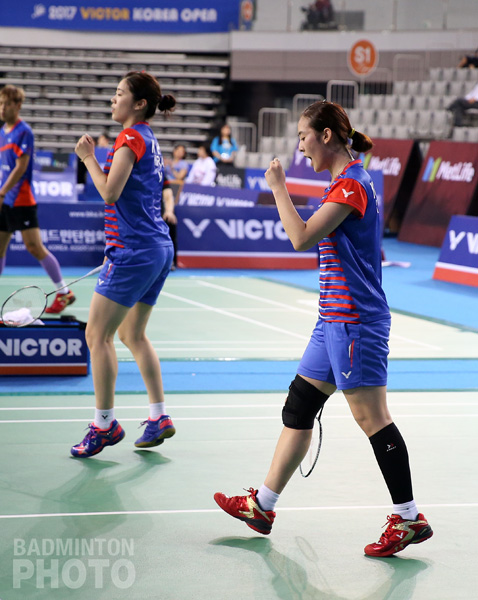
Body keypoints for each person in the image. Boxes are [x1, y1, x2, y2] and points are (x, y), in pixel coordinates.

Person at [214, 100, 433, 558]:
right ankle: (262, 506)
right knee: (299, 406)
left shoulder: (352, 184)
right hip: (330, 319)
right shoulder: (342, 181)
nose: (300, 147)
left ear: (327, 135)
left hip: (355, 322)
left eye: (303, 136)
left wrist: (278, 188)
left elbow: (301, 237)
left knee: (372, 419)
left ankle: (409, 517)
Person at [71, 71, 176, 457]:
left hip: (135, 251)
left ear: (139, 104)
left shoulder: (130, 137)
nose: (113, 100)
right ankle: (158, 415)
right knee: (133, 334)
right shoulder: (148, 138)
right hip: (156, 247)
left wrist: (87, 157)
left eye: (119, 94)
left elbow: (110, 192)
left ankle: (104, 425)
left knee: (97, 336)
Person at [0, 84, 74, 313]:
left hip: (20, 199)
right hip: (4, 200)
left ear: (18, 105)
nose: (2, 108)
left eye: (7, 104)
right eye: (0, 103)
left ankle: (64, 292)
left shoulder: (24, 132)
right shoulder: (2, 132)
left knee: (34, 247)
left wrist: (2, 192)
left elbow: (20, 168)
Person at [162, 178, 178, 269]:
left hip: (157, 214)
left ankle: (170, 260)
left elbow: (168, 196)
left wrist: (169, 211)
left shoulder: (159, 173)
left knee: (170, 220)